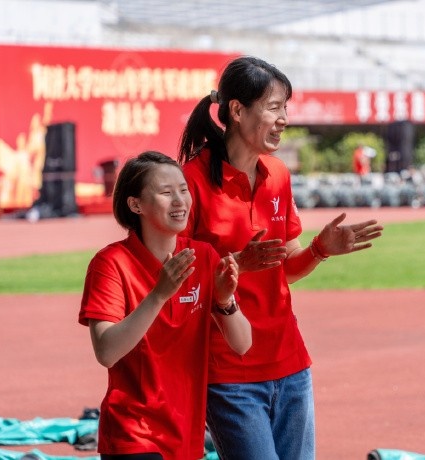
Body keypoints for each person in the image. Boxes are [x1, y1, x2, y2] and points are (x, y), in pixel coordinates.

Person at [177, 56, 384, 460]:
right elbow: (178, 278)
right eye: (274, 107)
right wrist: (239, 261)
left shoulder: (278, 175)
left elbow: (285, 269)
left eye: (285, 107)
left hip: (290, 363)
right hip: (229, 370)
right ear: (236, 110)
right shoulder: (191, 180)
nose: (284, 118)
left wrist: (321, 249)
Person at [78, 151, 252, 460]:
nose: (180, 201)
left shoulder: (204, 256)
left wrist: (225, 301)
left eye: (183, 190)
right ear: (136, 205)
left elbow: (242, 343)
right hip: (133, 436)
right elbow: (106, 352)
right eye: (166, 192)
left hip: (185, 437)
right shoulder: (110, 263)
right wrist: (159, 294)